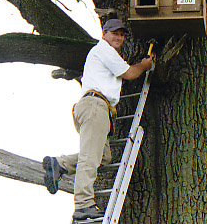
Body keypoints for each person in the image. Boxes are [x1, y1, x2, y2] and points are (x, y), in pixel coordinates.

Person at [42, 19, 155, 220]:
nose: (118, 37)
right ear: (104, 34)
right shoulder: (104, 50)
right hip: (95, 106)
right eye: (114, 33)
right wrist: (145, 65)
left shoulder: (106, 54)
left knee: (103, 157)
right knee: (90, 158)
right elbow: (129, 73)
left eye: (121, 34)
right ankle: (83, 204)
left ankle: (60, 164)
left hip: (96, 107)